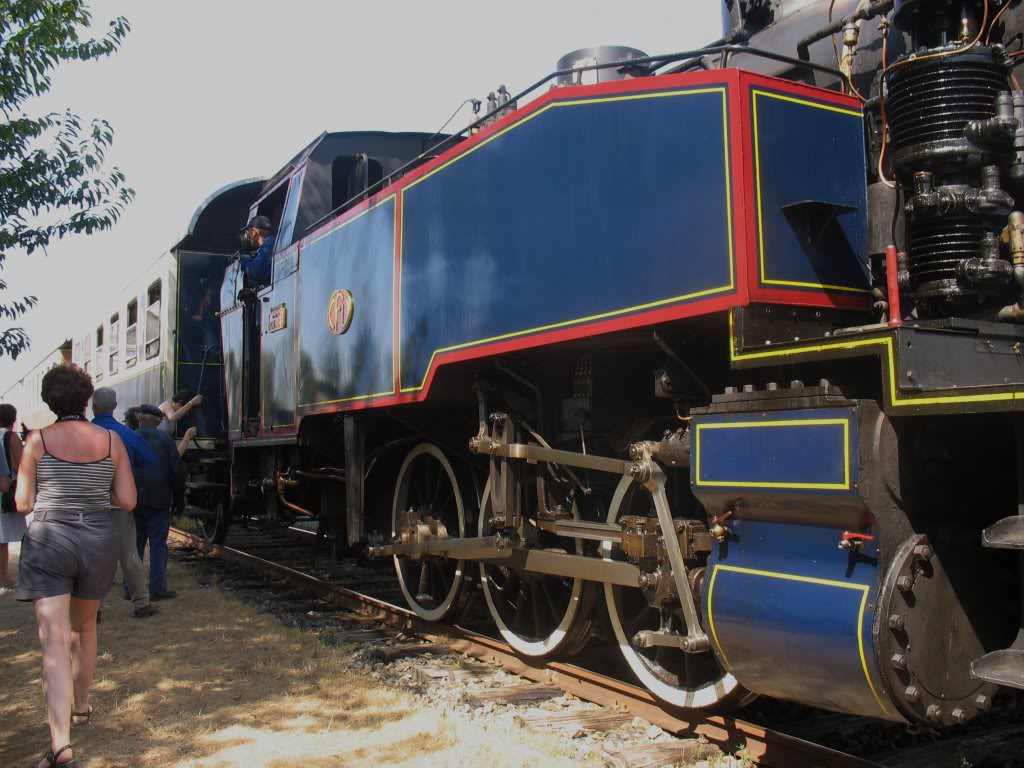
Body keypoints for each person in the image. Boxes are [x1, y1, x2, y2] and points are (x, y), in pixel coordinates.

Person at [16, 364, 137, 768]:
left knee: (53, 640)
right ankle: (82, 705)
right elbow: (128, 500)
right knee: (84, 626)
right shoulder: (110, 441)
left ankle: (61, 746)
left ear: (50, 401)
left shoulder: (37, 441)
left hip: (50, 539)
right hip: (99, 538)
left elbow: (23, 504)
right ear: (87, 399)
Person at [90, 389, 159, 618]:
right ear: (115, 405)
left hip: (90, 504)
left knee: (93, 556)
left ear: (93, 407)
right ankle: (141, 602)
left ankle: (93, 608)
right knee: (129, 554)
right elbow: (149, 459)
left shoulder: (84, 432)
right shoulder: (125, 433)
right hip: (119, 502)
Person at [135, 404, 184, 600]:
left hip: (134, 500)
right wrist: (179, 500)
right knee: (158, 545)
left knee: (135, 546)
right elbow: (177, 472)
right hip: (159, 499)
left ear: (140, 419)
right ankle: (157, 588)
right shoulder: (165, 440)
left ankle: (132, 588)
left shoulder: (129, 438)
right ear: (157, 422)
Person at [0, 403, 27, 591]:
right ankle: (4, 577)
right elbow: (21, 465)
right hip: (6, 490)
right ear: (13, 419)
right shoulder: (11, 437)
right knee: (3, 538)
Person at [239, 214, 274, 286]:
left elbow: (255, 272)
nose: (248, 235)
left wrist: (245, 255)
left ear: (253, 232)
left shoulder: (268, 247)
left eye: (248, 232)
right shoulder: (269, 245)